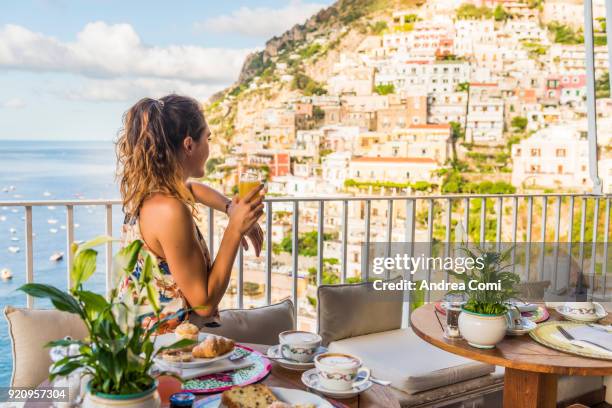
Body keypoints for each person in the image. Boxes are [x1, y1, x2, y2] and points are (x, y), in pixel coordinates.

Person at [115, 94, 265, 332]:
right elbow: (204, 304)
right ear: (189, 145)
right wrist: (236, 229)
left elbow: (192, 189)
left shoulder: (153, 192)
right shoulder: (169, 211)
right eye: (208, 138)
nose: (209, 146)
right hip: (161, 355)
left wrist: (229, 207)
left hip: (142, 345)